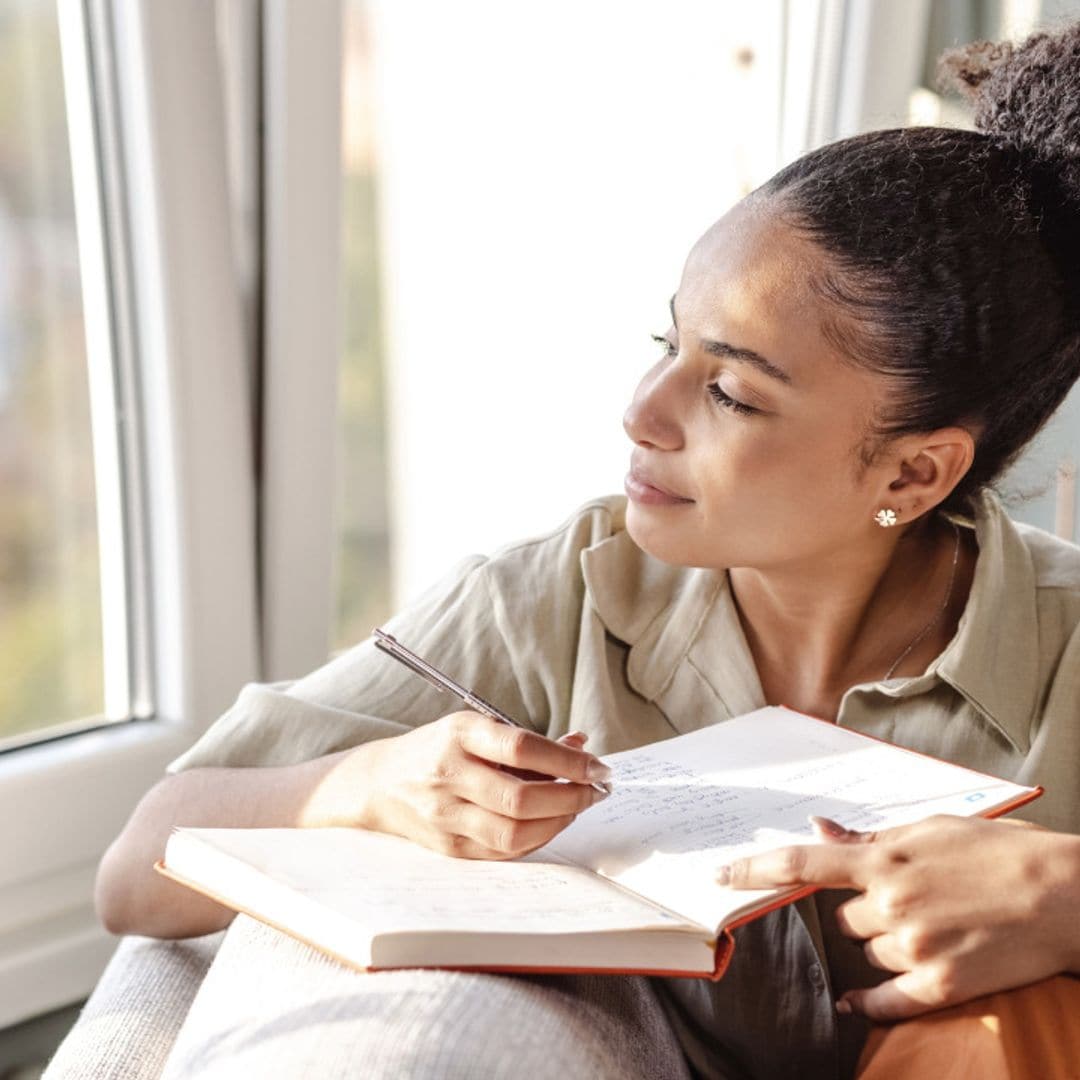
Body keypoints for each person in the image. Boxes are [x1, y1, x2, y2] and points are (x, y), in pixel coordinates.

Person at [94, 23, 1080, 1080]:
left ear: (911, 476)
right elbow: (136, 871)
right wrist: (371, 784)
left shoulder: (1060, 648)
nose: (642, 414)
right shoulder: (559, 594)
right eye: (670, 344)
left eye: (732, 392)